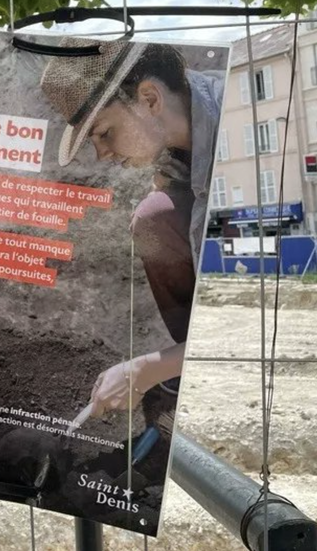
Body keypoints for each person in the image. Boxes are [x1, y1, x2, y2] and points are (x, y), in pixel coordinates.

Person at [40, 39, 225, 417]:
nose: (102, 154)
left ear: (150, 99)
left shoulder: (236, 127)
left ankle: (196, 362)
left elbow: (259, 316)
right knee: (153, 217)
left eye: (104, 133)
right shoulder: (177, 154)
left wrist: (144, 369)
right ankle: (190, 360)